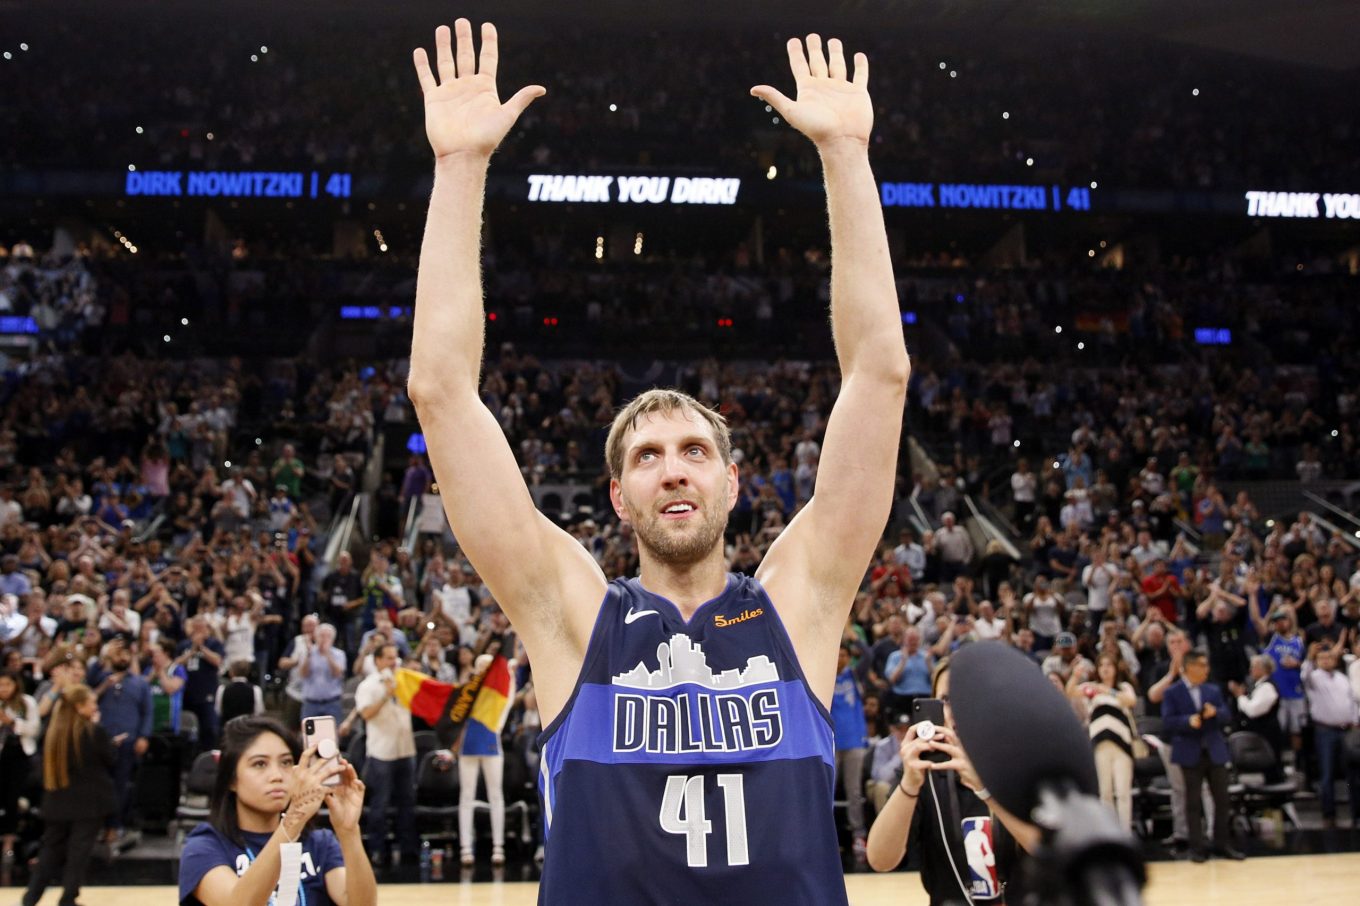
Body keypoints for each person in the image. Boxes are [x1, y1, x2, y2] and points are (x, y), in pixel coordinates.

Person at [408, 19, 907, 904]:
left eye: (694, 451)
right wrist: (459, 168)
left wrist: (845, 155)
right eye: (647, 456)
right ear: (617, 495)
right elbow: (440, 392)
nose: (673, 469)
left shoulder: (800, 602)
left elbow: (881, 374)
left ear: (733, 481)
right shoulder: (571, 616)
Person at [865, 658, 1038, 903]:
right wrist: (909, 787)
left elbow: (1054, 854)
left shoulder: (1022, 766)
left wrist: (984, 789)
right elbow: (880, 860)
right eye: (946, 699)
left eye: (969, 696)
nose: (956, 709)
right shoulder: (922, 771)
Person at [177, 714, 377, 906]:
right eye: (260, 764)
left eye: (286, 762)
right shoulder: (204, 847)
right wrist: (293, 819)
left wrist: (349, 832)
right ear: (231, 779)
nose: (277, 775)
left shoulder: (320, 843)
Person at [21, 685, 116, 906]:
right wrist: (105, 735)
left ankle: (30, 899)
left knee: (49, 852)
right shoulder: (93, 732)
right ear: (79, 706)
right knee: (78, 854)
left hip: (56, 802)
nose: (95, 707)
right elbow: (111, 759)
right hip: (89, 804)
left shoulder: (53, 733)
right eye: (92, 703)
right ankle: (68, 899)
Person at [1160, 650, 1245, 861]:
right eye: (1202, 665)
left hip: (1214, 750)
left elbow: (1227, 715)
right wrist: (1187, 721)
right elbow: (1167, 722)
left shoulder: (1212, 690)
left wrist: (1215, 713)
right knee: (1193, 801)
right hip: (1189, 751)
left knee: (1222, 799)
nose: (1206, 670)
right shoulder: (1172, 692)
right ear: (1189, 667)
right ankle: (1196, 847)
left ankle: (1221, 843)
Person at [353, 644, 418, 867]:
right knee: (380, 803)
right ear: (378, 660)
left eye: (395, 657)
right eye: (389, 658)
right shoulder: (368, 685)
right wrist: (386, 695)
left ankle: (408, 850)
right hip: (381, 752)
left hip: (405, 749)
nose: (393, 662)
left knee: (407, 803)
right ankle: (377, 850)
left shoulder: (404, 681)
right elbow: (366, 714)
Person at [457, 653, 516, 867]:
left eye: (488, 666)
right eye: (481, 666)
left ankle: (498, 847)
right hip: (468, 745)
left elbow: (510, 697)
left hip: (491, 742)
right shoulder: (468, 691)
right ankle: (465, 848)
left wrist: (510, 675)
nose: (485, 669)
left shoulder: (499, 693)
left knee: (495, 795)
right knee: (466, 796)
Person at [1068, 654, 1138, 829]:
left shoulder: (1123, 687)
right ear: (1097, 669)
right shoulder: (1092, 688)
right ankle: (1110, 832)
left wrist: (1108, 691)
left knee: (1123, 792)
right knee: (1105, 793)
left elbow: (1131, 700)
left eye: (1109, 665)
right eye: (1102, 665)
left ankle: (1125, 832)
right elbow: (1070, 693)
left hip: (1122, 745)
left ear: (1115, 668)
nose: (1105, 669)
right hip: (1100, 745)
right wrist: (1075, 675)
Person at [1301, 641, 1359, 828]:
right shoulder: (1314, 678)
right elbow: (1304, 675)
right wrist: (1309, 658)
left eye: (1329, 658)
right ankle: (1329, 815)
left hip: (1347, 730)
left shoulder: (1342, 678)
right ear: (1317, 660)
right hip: (1325, 731)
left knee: (1353, 775)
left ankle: (1356, 815)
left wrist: (1355, 720)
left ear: (1335, 660)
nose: (1326, 661)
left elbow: (1351, 701)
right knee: (1327, 775)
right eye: (1322, 658)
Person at [831, 643, 869, 861]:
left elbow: (869, 656)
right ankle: (827, 835)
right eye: (838, 654)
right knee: (827, 789)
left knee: (854, 791)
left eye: (844, 655)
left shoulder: (854, 675)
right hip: (832, 741)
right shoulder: (824, 675)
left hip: (854, 740)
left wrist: (856, 641)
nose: (840, 658)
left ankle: (858, 835)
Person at [0, 669, 39, 870]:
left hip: (20, 757)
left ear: (15, 685)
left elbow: (34, 729)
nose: (3, 689)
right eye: (0, 685)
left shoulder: (26, 703)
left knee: (12, 800)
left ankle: (8, 844)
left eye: (7, 684)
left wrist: (12, 722)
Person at [299, 623, 346, 725]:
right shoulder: (307, 653)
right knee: (309, 733)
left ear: (333, 639)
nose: (324, 639)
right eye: (321, 636)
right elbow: (303, 674)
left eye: (328, 636)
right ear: (315, 637)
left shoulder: (339, 654)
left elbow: (337, 674)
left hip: (332, 702)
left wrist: (328, 654)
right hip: (311, 703)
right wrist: (309, 654)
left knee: (333, 732)